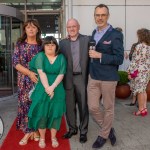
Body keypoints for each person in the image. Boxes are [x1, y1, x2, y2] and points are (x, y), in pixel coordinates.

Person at [87, 4, 124, 149]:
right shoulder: (93, 33)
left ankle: (103, 135)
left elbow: (119, 58)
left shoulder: (116, 34)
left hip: (108, 78)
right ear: (94, 16)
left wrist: (100, 55)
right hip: (94, 76)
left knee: (108, 108)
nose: (100, 17)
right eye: (97, 15)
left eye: (103, 15)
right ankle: (109, 129)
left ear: (108, 16)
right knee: (93, 107)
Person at [28, 36, 67, 148]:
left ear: (56, 46)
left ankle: (53, 137)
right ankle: (43, 138)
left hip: (57, 88)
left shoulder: (61, 57)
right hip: (42, 88)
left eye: (53, 44)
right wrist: (47, 88)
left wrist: (52, 87)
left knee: (55, 114)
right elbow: (41, 73)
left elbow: (61, 74)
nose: (50, 47)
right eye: (47, 44)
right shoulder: (40, 56)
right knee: (42, 114)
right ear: (43, 46)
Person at [12, 19, 42, 145]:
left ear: (37, 30)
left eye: (34, 27)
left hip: (38, 80)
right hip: (24, 80)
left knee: (37, 105)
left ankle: (35, 129)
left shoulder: (41, 45)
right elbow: (15, 63)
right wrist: (29, 73)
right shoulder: (19, 44)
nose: (31, 29)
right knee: (25, 105)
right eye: (28, 27)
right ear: (24, 29)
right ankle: (29, 130)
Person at [59, 18, 89, 143]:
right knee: (69, 106)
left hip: (81, 78)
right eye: (69, 27)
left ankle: (83, 131)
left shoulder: (87, 40)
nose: (71, 29)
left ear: (79, 27)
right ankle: (72, 129)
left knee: (83, 106)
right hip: (67, 78)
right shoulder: (62, 43)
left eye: (74, 26)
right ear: (67, 29)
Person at [127, 28, 150, 116]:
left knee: (140, 91)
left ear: (141, 36)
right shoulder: (149, 47)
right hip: (147, 72)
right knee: (143, 90)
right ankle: (144, 108)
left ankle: (140, 110)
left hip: (139, 72)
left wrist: (129, 72)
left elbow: (135, 60)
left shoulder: (139, 46)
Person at [126, 41, 139, 106]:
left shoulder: (135, 45)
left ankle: (135, 101)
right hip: (140, 68)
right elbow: (131, 57)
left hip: (136, 68)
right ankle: (137, 102)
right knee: (136, 85)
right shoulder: (135, 45)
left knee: (135, 85)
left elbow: (131, 57)